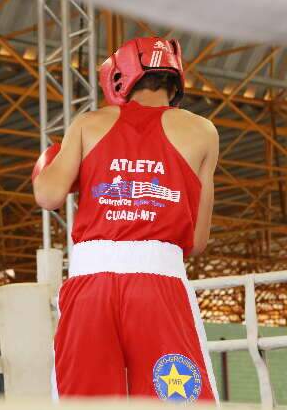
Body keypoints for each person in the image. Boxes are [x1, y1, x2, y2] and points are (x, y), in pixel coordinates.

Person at [32, 37, 220, 403]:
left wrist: (51, 167)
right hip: (160, 284)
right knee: (176, 398)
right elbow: (196, 242)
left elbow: (48, 196)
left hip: (90, 285)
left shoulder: (88, 124)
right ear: (174, 79)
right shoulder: (203, 132)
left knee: (86, 400)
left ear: (119, 76)